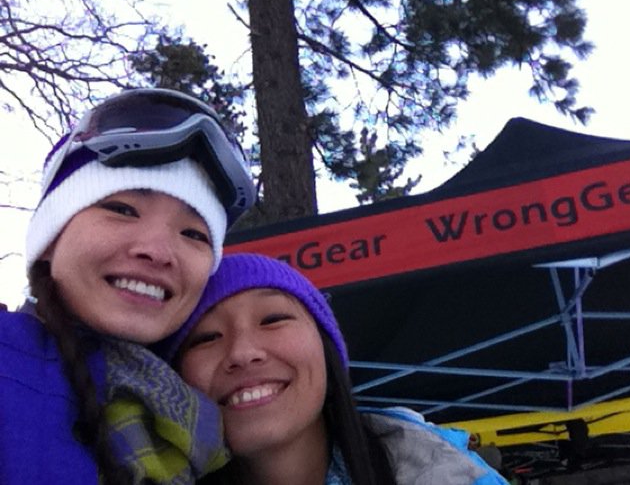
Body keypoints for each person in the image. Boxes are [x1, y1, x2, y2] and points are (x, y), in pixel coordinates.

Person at [0, 88, 256, 484]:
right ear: (50, 239)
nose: (158, 252)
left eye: (193, 234)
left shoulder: (209, 427)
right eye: (122, 210)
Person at [162, 253, 509, 485]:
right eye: (206, 338)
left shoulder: (450, 474)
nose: (242, 352)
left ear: (327, 351)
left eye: (273, 319)